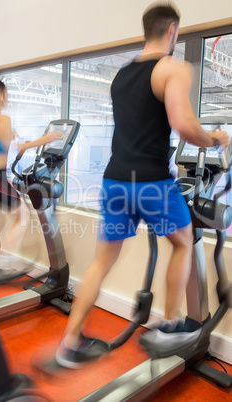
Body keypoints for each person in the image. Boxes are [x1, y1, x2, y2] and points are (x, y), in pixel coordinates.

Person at [54, 2, 230, 368]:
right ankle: (168, 324)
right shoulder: (172, 67)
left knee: (102, 261)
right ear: (172, 32)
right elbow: (182, 126)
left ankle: (69, 343)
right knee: (182, 242)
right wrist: (214, 139)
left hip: (115, 179)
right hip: (151, 181)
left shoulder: (121, 76)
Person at [0, 78, 64, 273]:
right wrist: (47, 139)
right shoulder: (3, 119)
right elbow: (14, 148)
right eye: (5, 93)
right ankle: (2, 260)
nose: (7, 98)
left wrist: (10, 138)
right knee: (22, 215)